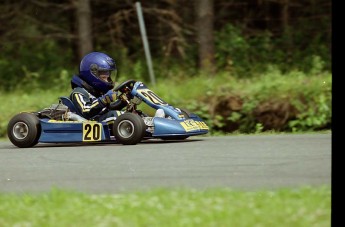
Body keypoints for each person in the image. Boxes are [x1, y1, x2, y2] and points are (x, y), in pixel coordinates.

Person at [69, 51, 127, 127]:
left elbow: (108, 109)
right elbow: (86, 111)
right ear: (91, 75)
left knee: (129, 113)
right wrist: (104, 100)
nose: (107, 81)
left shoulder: (97, 92)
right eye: (104, 78)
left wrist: (123, 101)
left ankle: (145, 123)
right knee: (117, 115)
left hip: (100, 119)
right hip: (89, 123)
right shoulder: (78, 92)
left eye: (108, 78)